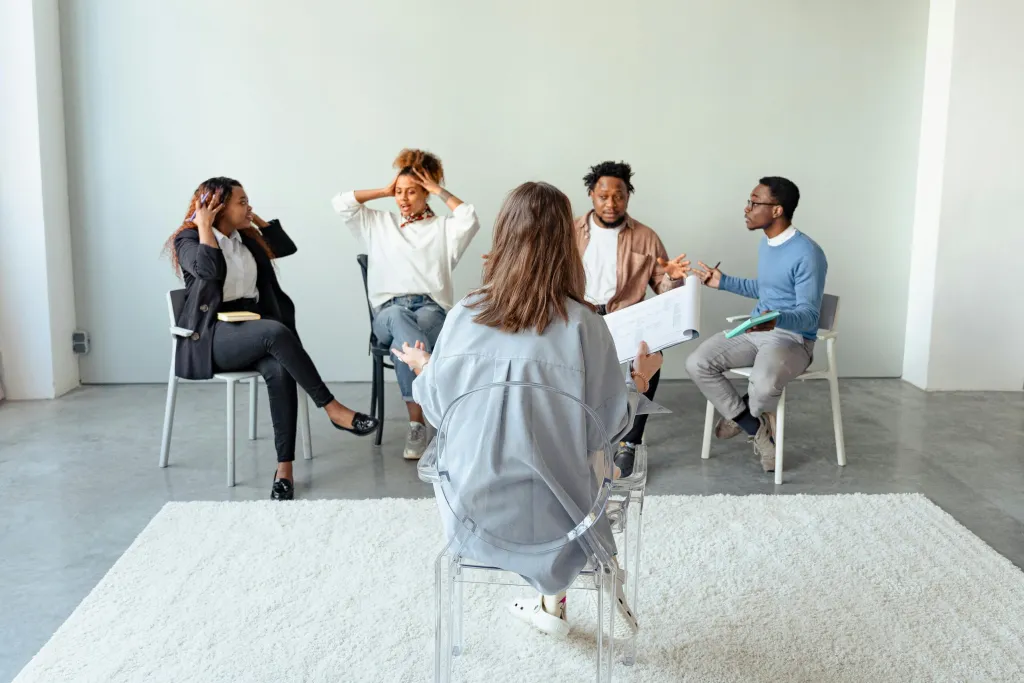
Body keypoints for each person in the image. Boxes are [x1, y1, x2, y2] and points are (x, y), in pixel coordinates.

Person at [391, 181, 663, 638]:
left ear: (504, 236)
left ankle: (547, 602)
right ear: (567, 243)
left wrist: (428, 367)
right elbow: (607, 427)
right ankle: (553, 592)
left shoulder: (465, 314)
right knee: (578, 459)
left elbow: (440, 409)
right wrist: (638, 378)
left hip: (471, 516)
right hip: (562, 526)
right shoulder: (585, 325)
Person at [165, 177, 379, 500]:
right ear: (217, 206)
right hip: (212, 335)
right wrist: (206, 225)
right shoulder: (188, 239)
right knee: (276, 332)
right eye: (242, 202)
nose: (249, 206)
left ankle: (285, 471)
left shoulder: (246, 238)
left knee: (279, 369)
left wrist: (257, 221)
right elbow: (207, 270)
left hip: (254, 328)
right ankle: (333, 408)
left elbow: (285, 248)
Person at [332, 149, 480, 460]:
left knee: (408, 341)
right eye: (398, 192)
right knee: (401, 321)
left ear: (427, 192)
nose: (402, 198)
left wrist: (439, 189)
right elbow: (341, 203)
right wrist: (385, 190)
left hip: (431, 311)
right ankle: (435, 418)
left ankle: (416, 425)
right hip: (388, 312)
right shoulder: (377, 223)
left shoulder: (444, 229)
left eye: (411, 191)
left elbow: (469, 217)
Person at [688, 176, 827, 472]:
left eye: (754, 202)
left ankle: (744, 414)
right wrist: (723, 282)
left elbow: (809, 316)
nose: (746, 208)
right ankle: (755, 427)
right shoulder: (768, 244)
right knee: (698, 362)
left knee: (763, 386)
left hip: (792, 339)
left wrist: (776, 319)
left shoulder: (808, 254)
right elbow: (767, 289)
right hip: (756, 330)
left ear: (776, 210)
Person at [575, 161, 690, 477]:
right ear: (591, 195)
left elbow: (663, 288)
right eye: (603, 196)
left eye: (619, 196)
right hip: (581, 317)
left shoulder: (645, 237)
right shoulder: (570, 232)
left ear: (628, 196)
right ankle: (580, 441)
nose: (611, 204)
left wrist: (673, 278)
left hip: (626, 318)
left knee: (651, 355)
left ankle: (629, 442)